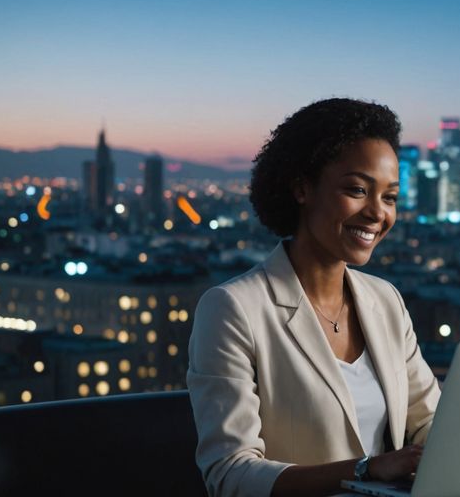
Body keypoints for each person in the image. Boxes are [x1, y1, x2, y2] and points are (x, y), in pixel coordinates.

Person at [187, 98, 442, 497]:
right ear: (302, 187)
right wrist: (367, 470)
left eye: (389, 197)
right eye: (357, 189)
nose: (378, 213)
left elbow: (433, 425)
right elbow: (230, 474)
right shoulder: (233, 308)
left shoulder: (385, 301)